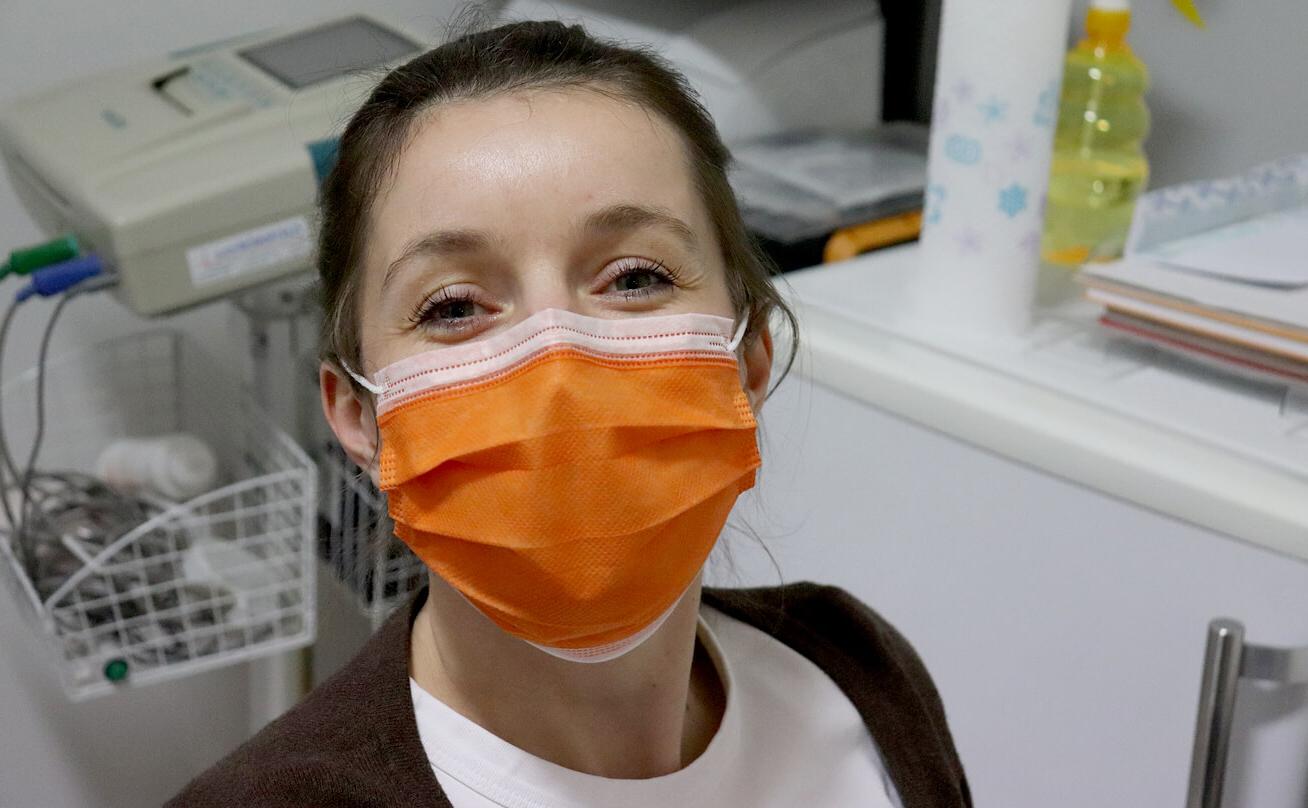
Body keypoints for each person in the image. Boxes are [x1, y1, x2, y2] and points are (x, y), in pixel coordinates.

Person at [169, 19, 970, 808]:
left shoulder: (856, 674)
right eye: (452, 306)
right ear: (356, 414)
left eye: (632, 278)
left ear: (748, 361)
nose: (556, 367)